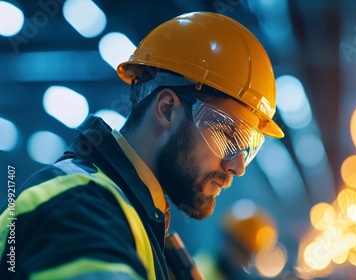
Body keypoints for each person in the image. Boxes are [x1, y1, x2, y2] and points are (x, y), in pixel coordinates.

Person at [0, 11, 284, 280]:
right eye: (226, 133)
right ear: (167, 109)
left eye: (248, 146)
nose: (237, 166)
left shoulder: (132, 218)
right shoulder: (80, 208)